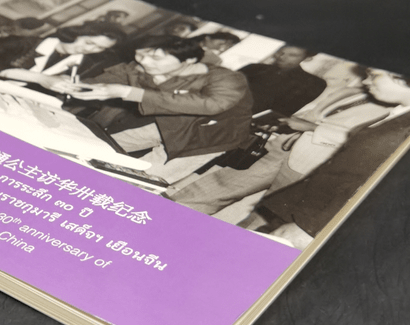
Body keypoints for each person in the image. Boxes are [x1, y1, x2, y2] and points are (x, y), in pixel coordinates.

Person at [165, 66, 394, 217]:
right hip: (283, 146)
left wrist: (312, 128)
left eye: (374, 76)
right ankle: (171, 211)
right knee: (223, 183)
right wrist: (287, 122)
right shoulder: (352, 92)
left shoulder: (394, 113)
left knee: (266, 214)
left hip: (313, 161)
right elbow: (314, 112)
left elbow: (364, 142)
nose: (366, 80)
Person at [257, 72, 410, 247]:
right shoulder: (406, 112)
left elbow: (377, 186)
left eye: (374, 75)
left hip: (317, 222)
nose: (365, 81)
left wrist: (311, 228)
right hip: (306, 208)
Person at [63, 36, 254, 182]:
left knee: (139, 178)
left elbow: (212, 104)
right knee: (93, 146)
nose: (145, 62)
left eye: (155, 58)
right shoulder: (142, 67)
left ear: (188, 60)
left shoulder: (227, 78)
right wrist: (68, 84)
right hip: (167, 123)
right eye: (140, 55)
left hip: (207, 137)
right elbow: (105, 80)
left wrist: (131, 92)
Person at [0, 21, 125, 87]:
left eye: (99, 48)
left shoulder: (80, 65)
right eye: (89, 43)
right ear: (75, 34)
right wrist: (40, 79)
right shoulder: (23, 43)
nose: (90, 50)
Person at [239, 46, 327, 117]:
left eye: (292, 55)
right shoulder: (253, 68)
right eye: (281, 52)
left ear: (307, 58)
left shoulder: (313, 83)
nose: (281, 57)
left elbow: (282, 111)